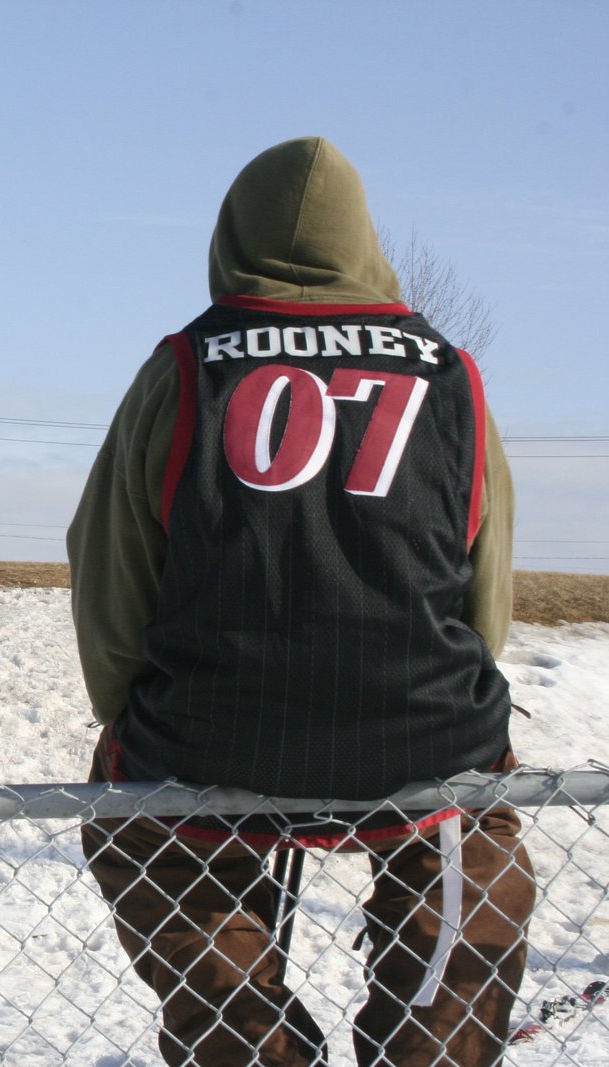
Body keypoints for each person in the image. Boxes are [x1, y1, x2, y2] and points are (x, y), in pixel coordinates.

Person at [68, 137, 533, 1066]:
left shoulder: (182, 366)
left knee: (146, 837)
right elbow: (487, 590)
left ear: (229, 240)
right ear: (366, 242)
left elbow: (109, 568)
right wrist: (447, 692)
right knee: (471, 844)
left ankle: (245, 1031)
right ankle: (433, 1036)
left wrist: (128, 715)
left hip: (210, 731)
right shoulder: (451, 376)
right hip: (422, 732)